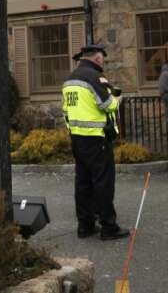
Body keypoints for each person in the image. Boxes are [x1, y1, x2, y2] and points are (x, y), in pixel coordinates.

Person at [61, 44, 130, 240]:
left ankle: (85, 225)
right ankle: (109, 227)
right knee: (103, 183)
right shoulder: (95, 78)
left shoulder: (69, 80)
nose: (103, 62)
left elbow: (66, 110)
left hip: (77, 138)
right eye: (103, 59)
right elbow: (107, 105)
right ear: (97, 58)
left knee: (82, 182)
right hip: (97, 138)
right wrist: (117, 97)